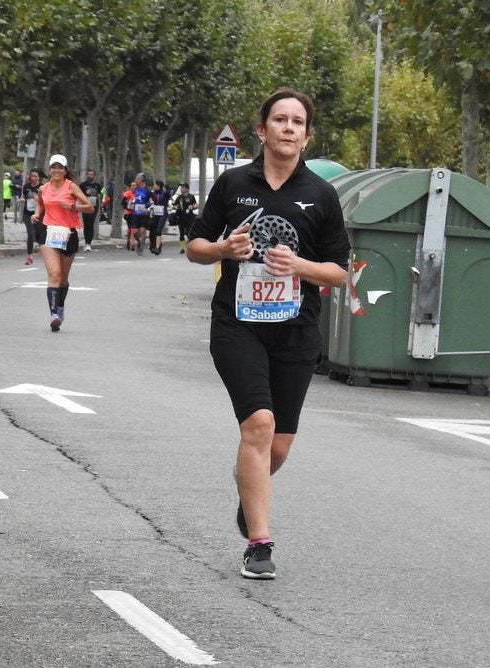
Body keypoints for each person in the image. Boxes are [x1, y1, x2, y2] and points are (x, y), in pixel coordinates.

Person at [185, 88, 349, 580]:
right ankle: (259, 543)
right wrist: (222, 249)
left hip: (296, 331)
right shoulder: (234, 185)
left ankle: (248, 492)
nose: (289, 128)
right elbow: (194, 247)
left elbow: (339, 271)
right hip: (238, 326)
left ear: (306, 136)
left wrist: (300, 264)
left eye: (298, 122)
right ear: (262, 130)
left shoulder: (321, 194)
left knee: (277, 446)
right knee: (257, 425)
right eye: (280, 119)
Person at [31, 154, 93, 331]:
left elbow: (90, 207)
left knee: (63, 279)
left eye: (60, 167)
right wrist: (36, 214)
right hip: (48, 233)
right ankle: (54, 315)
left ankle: (60, 306)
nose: (56, 170)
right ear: (49, 170)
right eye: (53, 167)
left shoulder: (71, 187)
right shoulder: (43, 188)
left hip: (68, 234)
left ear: (65, 170)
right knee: (54, 275)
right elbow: (41, 204)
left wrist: (73, 207)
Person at [21, 169, 42, 265]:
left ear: (39, 178)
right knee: (30, 233)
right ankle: (29, 255)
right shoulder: (26, 187)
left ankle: (44, 251)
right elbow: (23, 197)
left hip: (39, 214)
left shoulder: (42, 187)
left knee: (38, 235)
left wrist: (38, 200)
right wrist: (22, 199)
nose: (33, 178)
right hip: (28, 214)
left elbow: (45, 201)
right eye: (31, 176)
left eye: (35, 176)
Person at [78, 169, 102, 252]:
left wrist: (101, 200)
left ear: (94, 176)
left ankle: (89, 243)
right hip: (85, 206)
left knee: (91, 224)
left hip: (94, 206)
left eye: (91, 174)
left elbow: (102, 194)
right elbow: (78, 194)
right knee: (86, 224)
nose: (89, 176)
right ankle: (86, 242)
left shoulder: (98, 185)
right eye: (88, 174)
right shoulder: (83, 185)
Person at [171, 183, 197, 254]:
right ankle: (182, 248)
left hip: (189, 218)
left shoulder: (191, 197)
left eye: (183, 188)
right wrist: (175, 206)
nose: (181, 189)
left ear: (187, 189)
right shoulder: (179, 197)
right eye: (181, 188)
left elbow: (195, 204)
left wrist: (193, 207)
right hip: (181, 217)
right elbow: (174, 205)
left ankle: (191, 247)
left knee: (188, 233)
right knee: (181, 233)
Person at [129, 173, 151, 255]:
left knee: (142, 230)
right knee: (135, 232)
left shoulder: (147, 191)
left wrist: (147, 208)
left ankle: (141, 247)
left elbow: (151, 202)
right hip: (135, 213)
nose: (135, 180)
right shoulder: (135, 190)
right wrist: (131, 202)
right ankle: (138, 241)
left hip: (144, 214)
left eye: (137, 179)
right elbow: (133, 198)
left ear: (141, 180)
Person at [148, 179, 170, 255]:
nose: (154, 186)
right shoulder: (153, 194)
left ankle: (157, 247)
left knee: (158, 230)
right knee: (152, 229)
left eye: (155, 185)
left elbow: (168, 195)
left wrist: (167, 189)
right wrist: (150, 202)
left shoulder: (164, 193)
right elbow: (150, 201)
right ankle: (155, 244)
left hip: (162, 213)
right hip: (155, 213)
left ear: (159, 186)